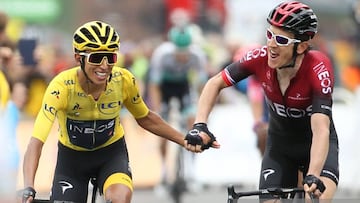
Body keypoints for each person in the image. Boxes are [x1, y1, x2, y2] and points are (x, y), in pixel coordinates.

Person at [20, 21, 213, 203]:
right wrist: (29, 186)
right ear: (78, 58)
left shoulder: (123, 80)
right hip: (72, 161)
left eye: (111, 57)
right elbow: (36, 141)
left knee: (120, 198)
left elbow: (146, 117)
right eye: (96, 57)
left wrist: (184, 139)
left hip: (111, 155)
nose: (104, 66)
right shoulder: (61, 87)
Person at [186, 1, 339, 202]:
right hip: (280, 148)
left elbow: (320, 129)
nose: (272, 45)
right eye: (269, 35)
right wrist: (200, 125)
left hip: (318, 147)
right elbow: (214, 83)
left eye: (281, 40)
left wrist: (313, 173)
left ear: (301, 46)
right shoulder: (259, 58)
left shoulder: (318, 68)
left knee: (316, 199)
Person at [148, 25, 208, 193]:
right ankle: (164, 173)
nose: (182, 56)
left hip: (183, 88)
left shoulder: (197, 55)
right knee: (162, 129)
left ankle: (191, 174)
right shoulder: (162, 54)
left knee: (193, 125)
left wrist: (200, 110)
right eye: (179, 52)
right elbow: (154, 85)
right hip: (164, 88)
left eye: (185, 51)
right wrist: (158, 109)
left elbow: (203, 85)